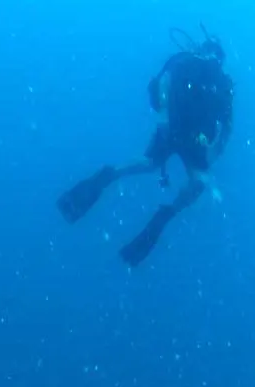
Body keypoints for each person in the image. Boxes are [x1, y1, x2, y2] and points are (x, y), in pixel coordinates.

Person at [56, 27, 233, 266]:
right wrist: (163, 118)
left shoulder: (223, 85)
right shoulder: (186, 62)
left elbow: (226, 126)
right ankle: (104, 179)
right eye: (209, 50)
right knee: (150, 163)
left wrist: (214, 151)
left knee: (197, 182)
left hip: (194, 141)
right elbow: (165, 83)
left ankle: (162, 217)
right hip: (173, 129)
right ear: (201, 49)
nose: (212, 57)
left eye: (216, 53)